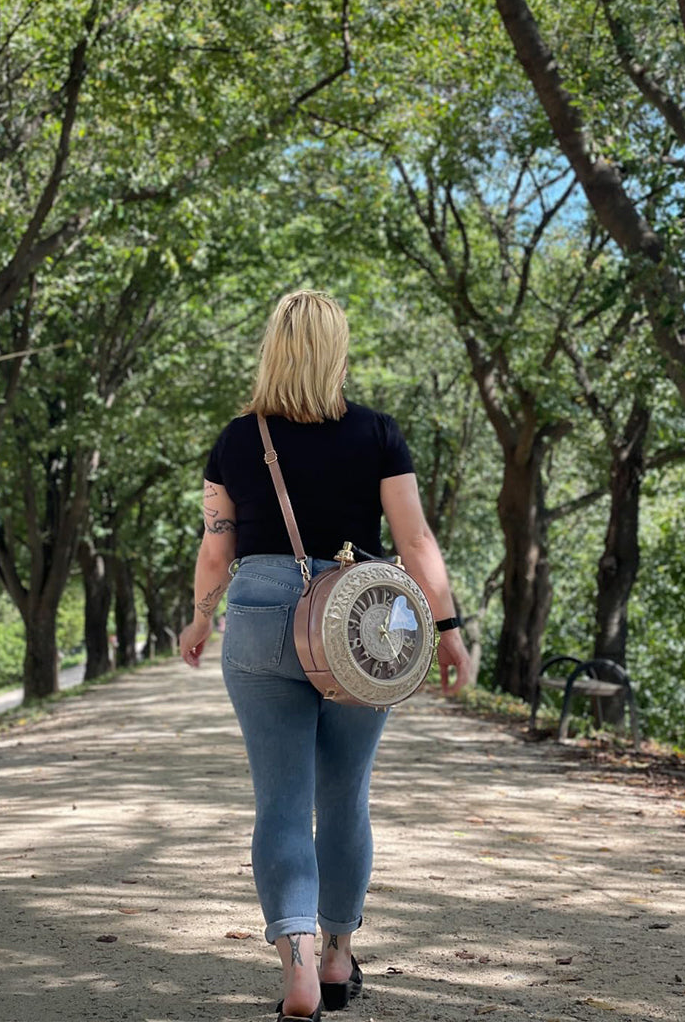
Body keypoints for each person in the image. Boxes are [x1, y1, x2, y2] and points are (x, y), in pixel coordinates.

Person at [180, 290, 470, 1022]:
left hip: (261, 614)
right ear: (337, 351)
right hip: (357, 623)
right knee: (344, 795)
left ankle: (299, 970)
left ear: (272, 350)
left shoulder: (236, 440)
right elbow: (414, 541)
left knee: (281, 801)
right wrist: (448, 629)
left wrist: (201, 617)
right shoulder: (378, 434)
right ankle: (339, 956)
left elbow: (215, 549)